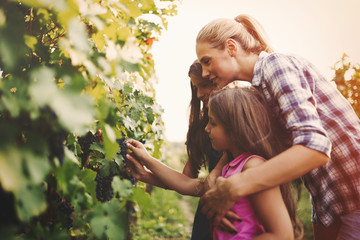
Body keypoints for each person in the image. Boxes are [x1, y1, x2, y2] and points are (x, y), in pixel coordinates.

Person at [195, 14, 360, 240]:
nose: (204, 73)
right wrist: (216, 174)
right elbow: (247, 138)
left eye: (207, 61)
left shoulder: (276, 66)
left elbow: (316, 147)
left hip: (353, 191)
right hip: (328, 199)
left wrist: (234, 186)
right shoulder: (259, 88)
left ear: (231, 48)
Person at [126, 86, 302, 239]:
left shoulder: (254, 167)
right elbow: (186, 184)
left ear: (235, 127)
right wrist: (146, 162)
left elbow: (282, 235)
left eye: (213, 123)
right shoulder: (229, 168)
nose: (206, 128)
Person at [125, 60, 239, 239]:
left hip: (237, 218)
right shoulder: (204, 126)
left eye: (204, 85)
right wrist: (146, 174)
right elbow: (187, 182)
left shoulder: (245, 125)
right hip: (208, 216)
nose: (200, 94)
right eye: (195, 88)